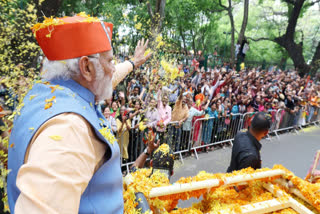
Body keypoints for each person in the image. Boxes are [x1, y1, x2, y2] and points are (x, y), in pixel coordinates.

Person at [7, 14, 151, 214]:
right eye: (110, 61)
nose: (112, 68)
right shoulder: (68, 128)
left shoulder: (48, 93)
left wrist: (133, 63)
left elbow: (108, 78)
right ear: (86, 67)